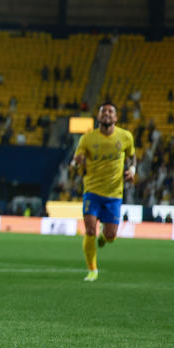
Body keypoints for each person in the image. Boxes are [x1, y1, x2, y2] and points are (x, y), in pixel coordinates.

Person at [70, 102, 135, 282]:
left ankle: (104, 238)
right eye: (103, 111)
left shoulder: (125, 137)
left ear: (115, 117)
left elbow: (131, 155)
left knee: (111, 236)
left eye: (110, 111)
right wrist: (76, 163)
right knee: (90, 229)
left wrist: (133, 170)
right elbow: (76, 160)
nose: (106, 113)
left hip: (114, 194)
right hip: (92, 191)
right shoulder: (88, 139)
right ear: (98, 117)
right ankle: (92, 270)